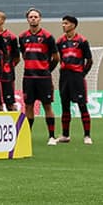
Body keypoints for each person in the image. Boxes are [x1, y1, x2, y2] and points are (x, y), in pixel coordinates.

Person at [19, 8, 60, 143]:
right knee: (28, 106)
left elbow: (55, 58)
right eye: (31, 17)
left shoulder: (48, 37)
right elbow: (24, 54)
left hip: (44, 78)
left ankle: (52, 136)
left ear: (40, 18)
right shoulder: (22, 37)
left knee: (47, 106)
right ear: (27, 19)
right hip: (28, 77)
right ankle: (27, 136)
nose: (33, 19)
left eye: (36, 17)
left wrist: (47, 70)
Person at [57, 15, 94, 144]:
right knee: (65, 106)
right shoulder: (60, 41)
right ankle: (65, 135)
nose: (63, 25)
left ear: (73, 25)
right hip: (64, 77)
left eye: (66, 23)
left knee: (82, 105)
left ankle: (87, 136)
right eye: (63, 23)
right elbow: (60, 58)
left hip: (77, 77)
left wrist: (82, 73)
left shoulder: (82, 41)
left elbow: (89, 60)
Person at [0, 11, 20, 111]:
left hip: (7, 75)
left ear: (3, 20)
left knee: (10, 104)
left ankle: (15, 124)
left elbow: (17, 58)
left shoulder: (11, 37)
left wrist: (8, 67)